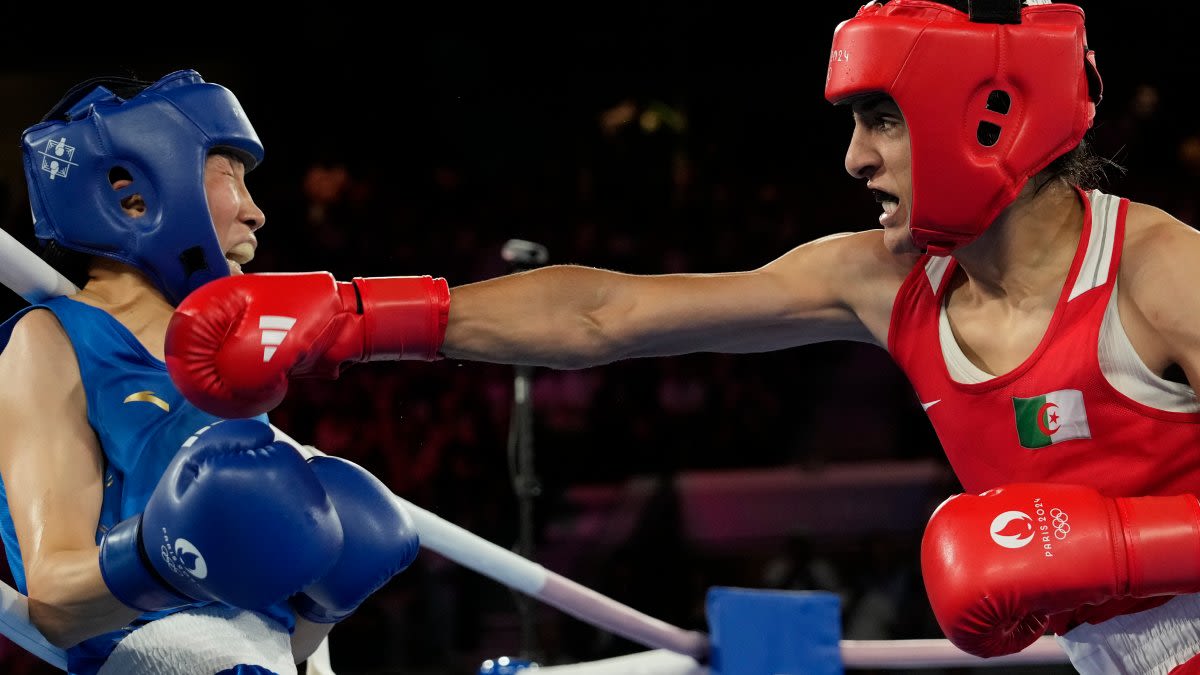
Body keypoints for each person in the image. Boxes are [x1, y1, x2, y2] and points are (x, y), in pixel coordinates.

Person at [162, 1, 1200, 673]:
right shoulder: (885, 280)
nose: (854, 159)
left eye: (881, 119)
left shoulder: (1161, 272)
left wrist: (1106, 548)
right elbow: (609, 314)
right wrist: (359, 318)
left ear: (988, 115)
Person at [0, 70, 420, 674]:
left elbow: (278, 642)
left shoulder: (229, 361)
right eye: (229, 176)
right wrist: (159, 555)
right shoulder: (51, 341)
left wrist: (322, 606)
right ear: (132, 195)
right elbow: (57, 608)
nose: (256, 214)